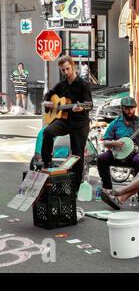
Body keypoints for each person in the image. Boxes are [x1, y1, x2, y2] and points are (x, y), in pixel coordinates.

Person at [41, 55, 93, 191]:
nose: (66, 72)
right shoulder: (62, 85)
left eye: (68, 69)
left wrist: (81, 107)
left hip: (80, 123)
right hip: (64, 121)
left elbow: (89, 104)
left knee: (77, 155)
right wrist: (48, 102)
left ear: (73, 66)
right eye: (63, 70)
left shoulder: (83, 85)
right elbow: (49, 94)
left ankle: (75, 189)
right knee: (47, 132)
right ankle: (46, 163)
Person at [96, 97, 139, 195]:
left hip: (134, 155)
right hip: (118, 154)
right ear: (121, 108)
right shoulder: (115, 123)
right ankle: (108, 189)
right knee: (101, 159)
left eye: (132, 108)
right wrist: (114, 143)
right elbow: (106, 142)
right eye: (127, 108)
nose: (130, 111)